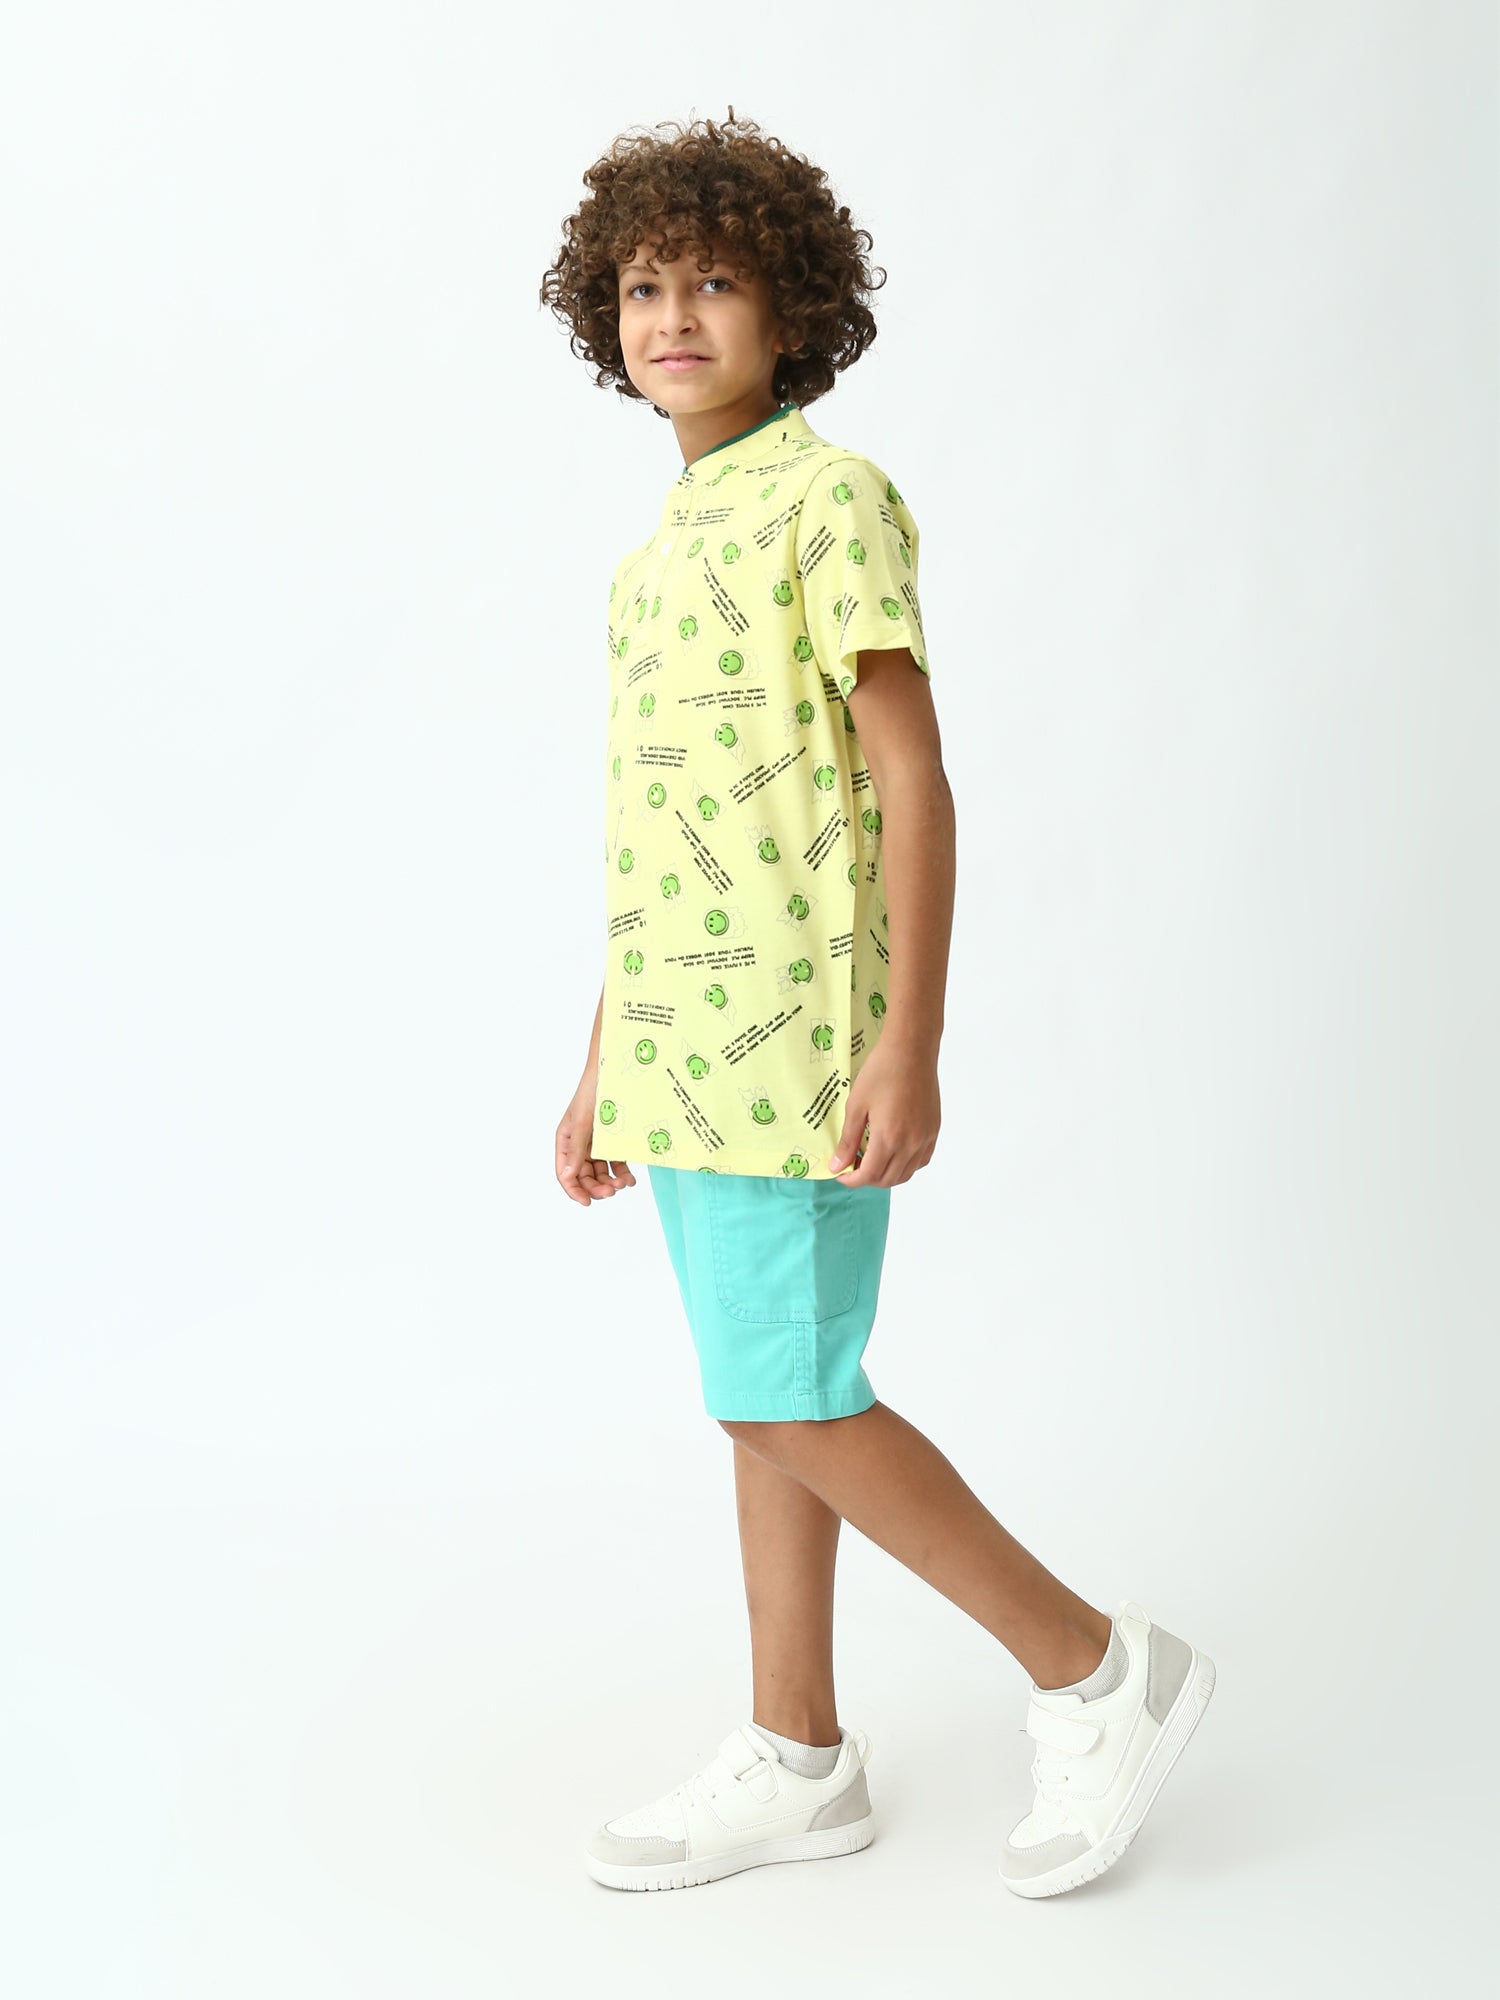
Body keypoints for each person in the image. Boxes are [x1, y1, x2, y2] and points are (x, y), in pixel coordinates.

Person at [540, 107, 1215, 1898]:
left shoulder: (828, 501)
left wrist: (910, 1037)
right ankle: (797, 1750)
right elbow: (664, 828)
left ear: (792, 311)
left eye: (712, 283)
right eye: (642, 288)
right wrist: (604, 1056)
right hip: (680, 1052)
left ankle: (1098, 1668)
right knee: (766, 1388)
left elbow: (912, 777)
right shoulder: (652, 555)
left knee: (787, 1394)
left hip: (801, 1044)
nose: (672, 316)